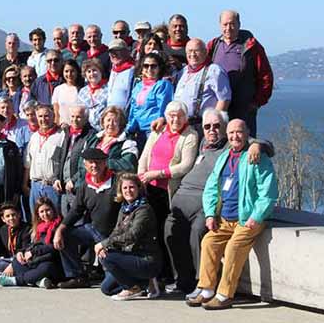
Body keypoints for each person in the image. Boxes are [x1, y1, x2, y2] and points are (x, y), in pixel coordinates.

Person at [165, 109, 274, 294]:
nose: (212, 130)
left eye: (217, 126)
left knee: (199, 232)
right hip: (185, 200)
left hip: (215, 207)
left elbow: (263, 145)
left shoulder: (230, 147)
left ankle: (209, 286)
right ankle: (183, 281)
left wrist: (259, 145)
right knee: (171, 231)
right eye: (207, 127)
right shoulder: (205, 145)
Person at [187, 119, 279, 310]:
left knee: (233, 248)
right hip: (225, 218)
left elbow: (268, 193)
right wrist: (211, 214)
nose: (234, 136)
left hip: (247, 219)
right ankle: (206, 290)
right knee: (208, 242)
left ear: (247, 134)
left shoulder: (257, 157)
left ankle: (224, 295)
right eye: (231, 133)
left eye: (239, 132)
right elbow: (211, 188)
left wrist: (257, 216)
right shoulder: (224, 157)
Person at [138, 101, 199, 282]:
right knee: (152, 231)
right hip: (150, 188)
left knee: (168, 233)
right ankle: (156, 272)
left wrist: (158, 173)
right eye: (172, 115)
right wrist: (140, 176)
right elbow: (145, 155)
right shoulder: (158, 132)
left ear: (185, 117)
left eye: (179, 115)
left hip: (170, 192)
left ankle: (171, 275)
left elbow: (185, 166)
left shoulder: (190, 136)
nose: (175, 119)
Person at [54, 148, 120, 289]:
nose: (94, 166)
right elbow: (76, 211)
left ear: (105, 163)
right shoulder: (85, 185)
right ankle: (77, 276)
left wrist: (107, 242)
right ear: (85, 165)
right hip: (92, 230)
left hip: (113, 235)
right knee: (65, 235)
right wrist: (59, 229)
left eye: (98, 162)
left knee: (111, 285)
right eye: (91, 163)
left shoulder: (116, 182)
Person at [207, 11, 274, 137]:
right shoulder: (214, 45)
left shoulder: (251, 46)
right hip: (220, 107)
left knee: (243, 145)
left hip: (244, 108)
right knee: (220, 143)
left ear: (239, 24)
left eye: (232, 24)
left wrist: (257, 102)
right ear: (220, 25)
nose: (228, 28)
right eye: (225, 24)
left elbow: (266, 76)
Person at [97, 172, 163, 300]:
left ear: (139, 188)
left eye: (132, 187)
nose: (128, 191)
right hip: (130, 256)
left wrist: (105, 244)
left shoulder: (144, 209)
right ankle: (144, 284)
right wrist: (105, 245)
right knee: (107, 288)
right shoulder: (124, 208)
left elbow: (132, 236)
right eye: (125, 188)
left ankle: (132, 288)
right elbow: (116, 231)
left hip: (146, 259)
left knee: (108, 257)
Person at [0, 196, 63, 289]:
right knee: (16, 261)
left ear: (53, 210)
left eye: (47, 210)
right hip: (36, 261)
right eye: (42, 212)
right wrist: (22, 252)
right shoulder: (38, 227)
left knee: (47, 267)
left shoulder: (59, 226)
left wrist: (33, 252)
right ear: (38, 214)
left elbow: (54, 248)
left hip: (51, 261)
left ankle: (16, 280)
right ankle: (37, 281)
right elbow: (31, 245)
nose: (45, 214)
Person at [169, 38, 231, 130]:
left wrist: (213, 125)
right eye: (190, 51)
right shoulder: (183, 72)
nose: (192, 54)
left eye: (196, 51)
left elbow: (224, 100)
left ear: (205, 52)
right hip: (181, 125)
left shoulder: (214, 70)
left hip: (202, 125)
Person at [55, 105, 99, 216]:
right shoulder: (65, 132)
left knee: (79, 222)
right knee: (65, 221)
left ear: (86, 118)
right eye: (72, 116)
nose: (74, 120)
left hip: (78, 187)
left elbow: (88, 163)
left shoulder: (91, 136)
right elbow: (57, 157)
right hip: (63, 187)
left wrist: (74, 180)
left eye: (78, 117)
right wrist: (56, 178)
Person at [24, 104, 65, 216]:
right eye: (40, 116)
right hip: (35, 186)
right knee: (37, 221)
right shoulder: (34, 137)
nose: (43, 119)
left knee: (55, 219)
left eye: (47, 116)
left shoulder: (62, 135)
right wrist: (25, 184)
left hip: (52, 186)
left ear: (53, 116)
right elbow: (28, 163)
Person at [126, 53, 174, 146]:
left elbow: (163, 108)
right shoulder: (138, 86)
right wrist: (130, 128)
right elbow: (133, 108)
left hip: (154, 130)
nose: (149, 69)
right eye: (146, 66)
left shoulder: (163, 84)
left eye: (153, 66)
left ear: (159, 68)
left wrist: (160, 124)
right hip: (138, 132)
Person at [0, 202, 31, 282]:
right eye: (7, 216)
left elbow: (25, 248)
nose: (11, 218)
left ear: (19, 215)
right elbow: (2, 249)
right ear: (3, 219)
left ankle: (0, 276)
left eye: (13, 215)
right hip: (9, 260)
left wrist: (13, 265)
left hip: (22, 260)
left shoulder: (26, 228)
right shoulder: (3, 230)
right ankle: (8, 274)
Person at [97, 107, 139, 175]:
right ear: (103, 122)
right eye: (108, 120)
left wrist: (101, 163)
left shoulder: (128, 142)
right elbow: (82, 163)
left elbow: (129, 164)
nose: (111, 123)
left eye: (115, 121)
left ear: (120, 124)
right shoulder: (94, 139)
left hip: (114, 181)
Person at [77, 58, 110, 129]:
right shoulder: (82, 92)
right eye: (89, 71)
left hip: (105, 128)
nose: (92, 73)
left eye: (94, 70)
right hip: (87, 130)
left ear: (100, 71)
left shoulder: (109, 88)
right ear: (85, 75)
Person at [105, 38, 135, 110]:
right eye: (111, 52)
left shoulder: (133, 70)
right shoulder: (113, 70)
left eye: (118, 51)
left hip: (125, 116)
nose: (114, 54)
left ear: (126, 52)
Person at [53, 58, 82, 126]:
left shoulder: (81, 90)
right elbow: (56, 112)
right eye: (66, 71)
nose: (69, 74)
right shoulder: (58, 89)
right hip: (62, 126)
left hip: (77, 127)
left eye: (72, 71)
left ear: (77, 72)